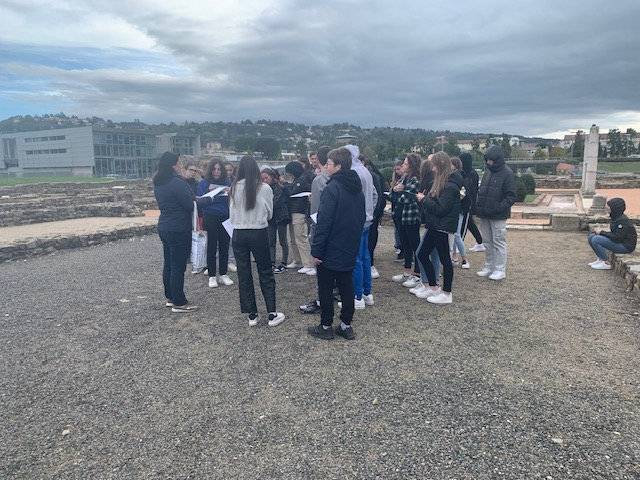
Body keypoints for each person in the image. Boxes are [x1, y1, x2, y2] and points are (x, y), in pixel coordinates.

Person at [308, 147, 365, 340]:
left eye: (329, 163)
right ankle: (346, 324)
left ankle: (325, 326)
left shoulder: (332, 188)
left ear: (338, 166)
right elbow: (360, 218)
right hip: (349, 244)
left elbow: (324, 221)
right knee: (346, 285)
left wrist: (317, 250)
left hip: (331, 246)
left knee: (325, 287)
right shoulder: (357, 188)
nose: (326, 166)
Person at [229, 156, 285, 327]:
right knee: (265, 271)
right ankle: (271, 313)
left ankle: (252, 314)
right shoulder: (264, 188)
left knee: (244, 273)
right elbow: (269, 213)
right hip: (258, 232)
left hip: (238, 232)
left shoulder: (233, 188)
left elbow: (231, 214)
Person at [153, 152, 201, 313]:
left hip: (165, 226)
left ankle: (170, 297)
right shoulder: (177, 182)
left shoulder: (159, 181)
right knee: (178, 266)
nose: (180, 166)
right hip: (178, 227)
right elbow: (189, 204)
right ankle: (179, 302)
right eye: (179, 163)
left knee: (168, 263)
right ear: (173, 165)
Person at [416, 152, 462, 305]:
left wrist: (424, 200)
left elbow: (441, 209)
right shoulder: (442, 182)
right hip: (435, 225)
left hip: (443, 227)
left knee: (445, 260)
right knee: (422, 254)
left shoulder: (450, 186)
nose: (432, 169)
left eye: (434, 165)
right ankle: (433, 287)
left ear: (440, 166)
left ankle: (447, 293)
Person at [474, 145, 516, 281]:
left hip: (498, 215)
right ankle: (489, 266)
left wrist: (498, 207)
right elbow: (482, 190)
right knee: (487, 241)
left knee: (498, 242)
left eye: (491, 160)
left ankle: (499, 269)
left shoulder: (507, 173)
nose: (488, 162)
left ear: (497, 160)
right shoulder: (488, 172)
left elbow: (511, 196)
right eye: (487, 160)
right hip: (485, 213)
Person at [345, 145, 378, 310]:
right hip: (367, 220)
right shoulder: (365, 170)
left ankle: (357, 296)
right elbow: (375, 194)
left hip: (357, 221)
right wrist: (369, 211)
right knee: (365, 257)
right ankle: (367, 293)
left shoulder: (353, 172)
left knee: (355, 258)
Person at [300, 146, 332, 314]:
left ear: (318, 159)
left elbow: (316, 212)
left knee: (321, 266)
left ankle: (322, 300)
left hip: (321, 228)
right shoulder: (341, 177)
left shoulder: (319, 180)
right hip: (338, 228)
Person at [197, 160, 233, 288]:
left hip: (225, 216)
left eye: (219, 169)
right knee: (211, 246)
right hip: (210, 216)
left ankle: (223, 274)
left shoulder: (227, 182)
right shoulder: (204, 183)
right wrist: (209, 194)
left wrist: (231, 192)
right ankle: (212, 275)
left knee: (224, 245)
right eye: (214, 169)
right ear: (210, 170)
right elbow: (199, 200)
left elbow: (233, 199)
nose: (216, 172)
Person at [410, 156, 442, 298]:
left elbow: (436, 205)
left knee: (423, 253)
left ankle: (429, 283)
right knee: (431, 254)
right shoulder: (434, 182)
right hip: (432, 222)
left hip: (435, 223)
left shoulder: (432, 183)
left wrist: (423, 199)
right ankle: (430, 282)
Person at [392, 153, 422, 287]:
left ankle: (417, 274)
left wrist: (400, 191)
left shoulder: (415, 179)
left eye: (405, 163)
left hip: (411, 216)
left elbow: (407, 198)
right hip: (402, 216)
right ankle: (407, 271)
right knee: (406, 244)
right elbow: (394, 193)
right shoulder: (405, 177)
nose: (403, 165)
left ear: (411, 165)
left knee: (415, 245)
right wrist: (397, 190)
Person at [588, 198, 637, 269]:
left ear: (615, 208)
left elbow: (617, 238)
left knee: (596, 239)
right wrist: (601, 233)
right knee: (591, 236)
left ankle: (605, 262)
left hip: (625, 247)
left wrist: (601, 232)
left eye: (608, 207)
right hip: (620, 242)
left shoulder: (622, 221)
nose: (606, 209)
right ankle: (600, 259)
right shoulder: (615, 217)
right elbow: (615, 235)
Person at [283, 161, 315, 274]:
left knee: (300, 237)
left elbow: (292, 192)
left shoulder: (302, 180)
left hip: (299, 211)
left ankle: (308, 263)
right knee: (293, 238)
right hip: (293, 211)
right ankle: (297, 260)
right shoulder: (297, 179)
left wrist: (285, 185)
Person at [261, 167, 290, 273]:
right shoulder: (263, 189)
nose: (264, 180)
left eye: (266, 178)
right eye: (262, 179)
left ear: (272, 177)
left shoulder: (280, 187)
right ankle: (272, 262)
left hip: (281, 216)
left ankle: (284, 262)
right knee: (271, 241)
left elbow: (276, 202)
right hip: (271, 217)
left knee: (283, 241)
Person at [363, 155, 386, 279]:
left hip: (371, 215)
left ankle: (371, 264)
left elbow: (378, 196)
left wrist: (374, 214)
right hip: (366, 214)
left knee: (370, 239)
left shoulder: (372, 176)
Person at [458, 153, 482, 254]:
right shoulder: (466, 172)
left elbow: (469, 189)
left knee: (465, 224)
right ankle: (480, 242)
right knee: (469, 224)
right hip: (467, 201)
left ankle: (459, 245)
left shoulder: (471, 174)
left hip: (469, 202)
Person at [449, 156, 470, 269]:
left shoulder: (461, 178)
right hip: (454, 209)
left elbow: (462, 195)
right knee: (453, 234)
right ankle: (454, 256)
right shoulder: (452, 177)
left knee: (456, 234)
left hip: (459, 209)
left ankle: (464, 259)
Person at [390, 159, 405, 261]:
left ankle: (402, 249)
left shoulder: (404, 181)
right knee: (397, 229)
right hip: (395, 207)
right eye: (395, 169)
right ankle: (399, 247)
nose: (397, 171)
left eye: (398, 169)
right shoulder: (395, 181)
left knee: (400, 230)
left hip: (401, 208)